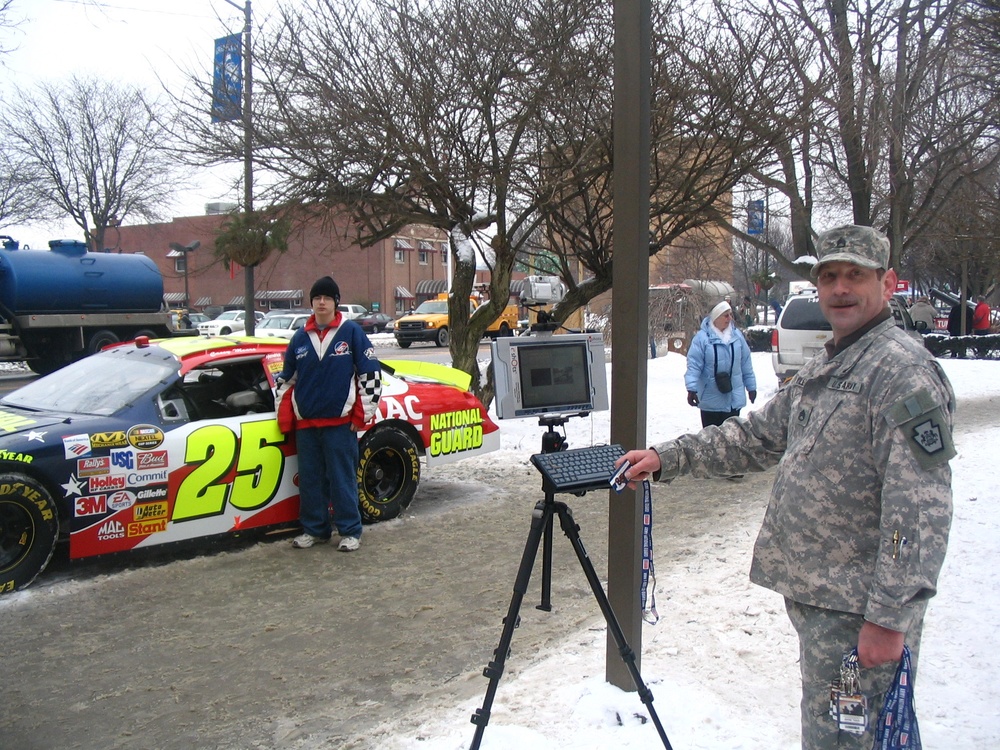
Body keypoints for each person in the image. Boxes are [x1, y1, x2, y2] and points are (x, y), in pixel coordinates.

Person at [617, 225, 955, 749]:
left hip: (860, 612)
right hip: (825, 604)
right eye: (830, 276)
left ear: (886, 283)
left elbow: (920, 510)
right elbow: (756, 435)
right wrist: (667, 458)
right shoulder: (833, 361)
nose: (840, 289)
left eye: (855, 276)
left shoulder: (901, 373)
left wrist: (890, 619)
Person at [277, 276, 382, 551]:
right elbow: (286, 380)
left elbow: (370, 375)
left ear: (336, 302)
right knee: (310, 481)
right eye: (317, 298)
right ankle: (316, 529)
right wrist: (286, 417)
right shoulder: (299, 338)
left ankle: (350, 531)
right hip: (307, 426)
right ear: (311, 303)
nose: (321, 303)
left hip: (340, 425)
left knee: (342, 478)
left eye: (327, 298)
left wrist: (361, 415)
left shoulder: (351, 333)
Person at [684, 300, 757, 428]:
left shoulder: (737, 337)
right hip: (711, 400)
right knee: (711, 440)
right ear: (716, 317)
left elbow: (746, 363)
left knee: (731, 439)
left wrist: (751, 387)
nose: (730, 318)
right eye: (726, 315)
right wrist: (691, 388)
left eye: (730, 314)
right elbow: (694, 365)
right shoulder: (702, 339)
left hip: (733, 401)